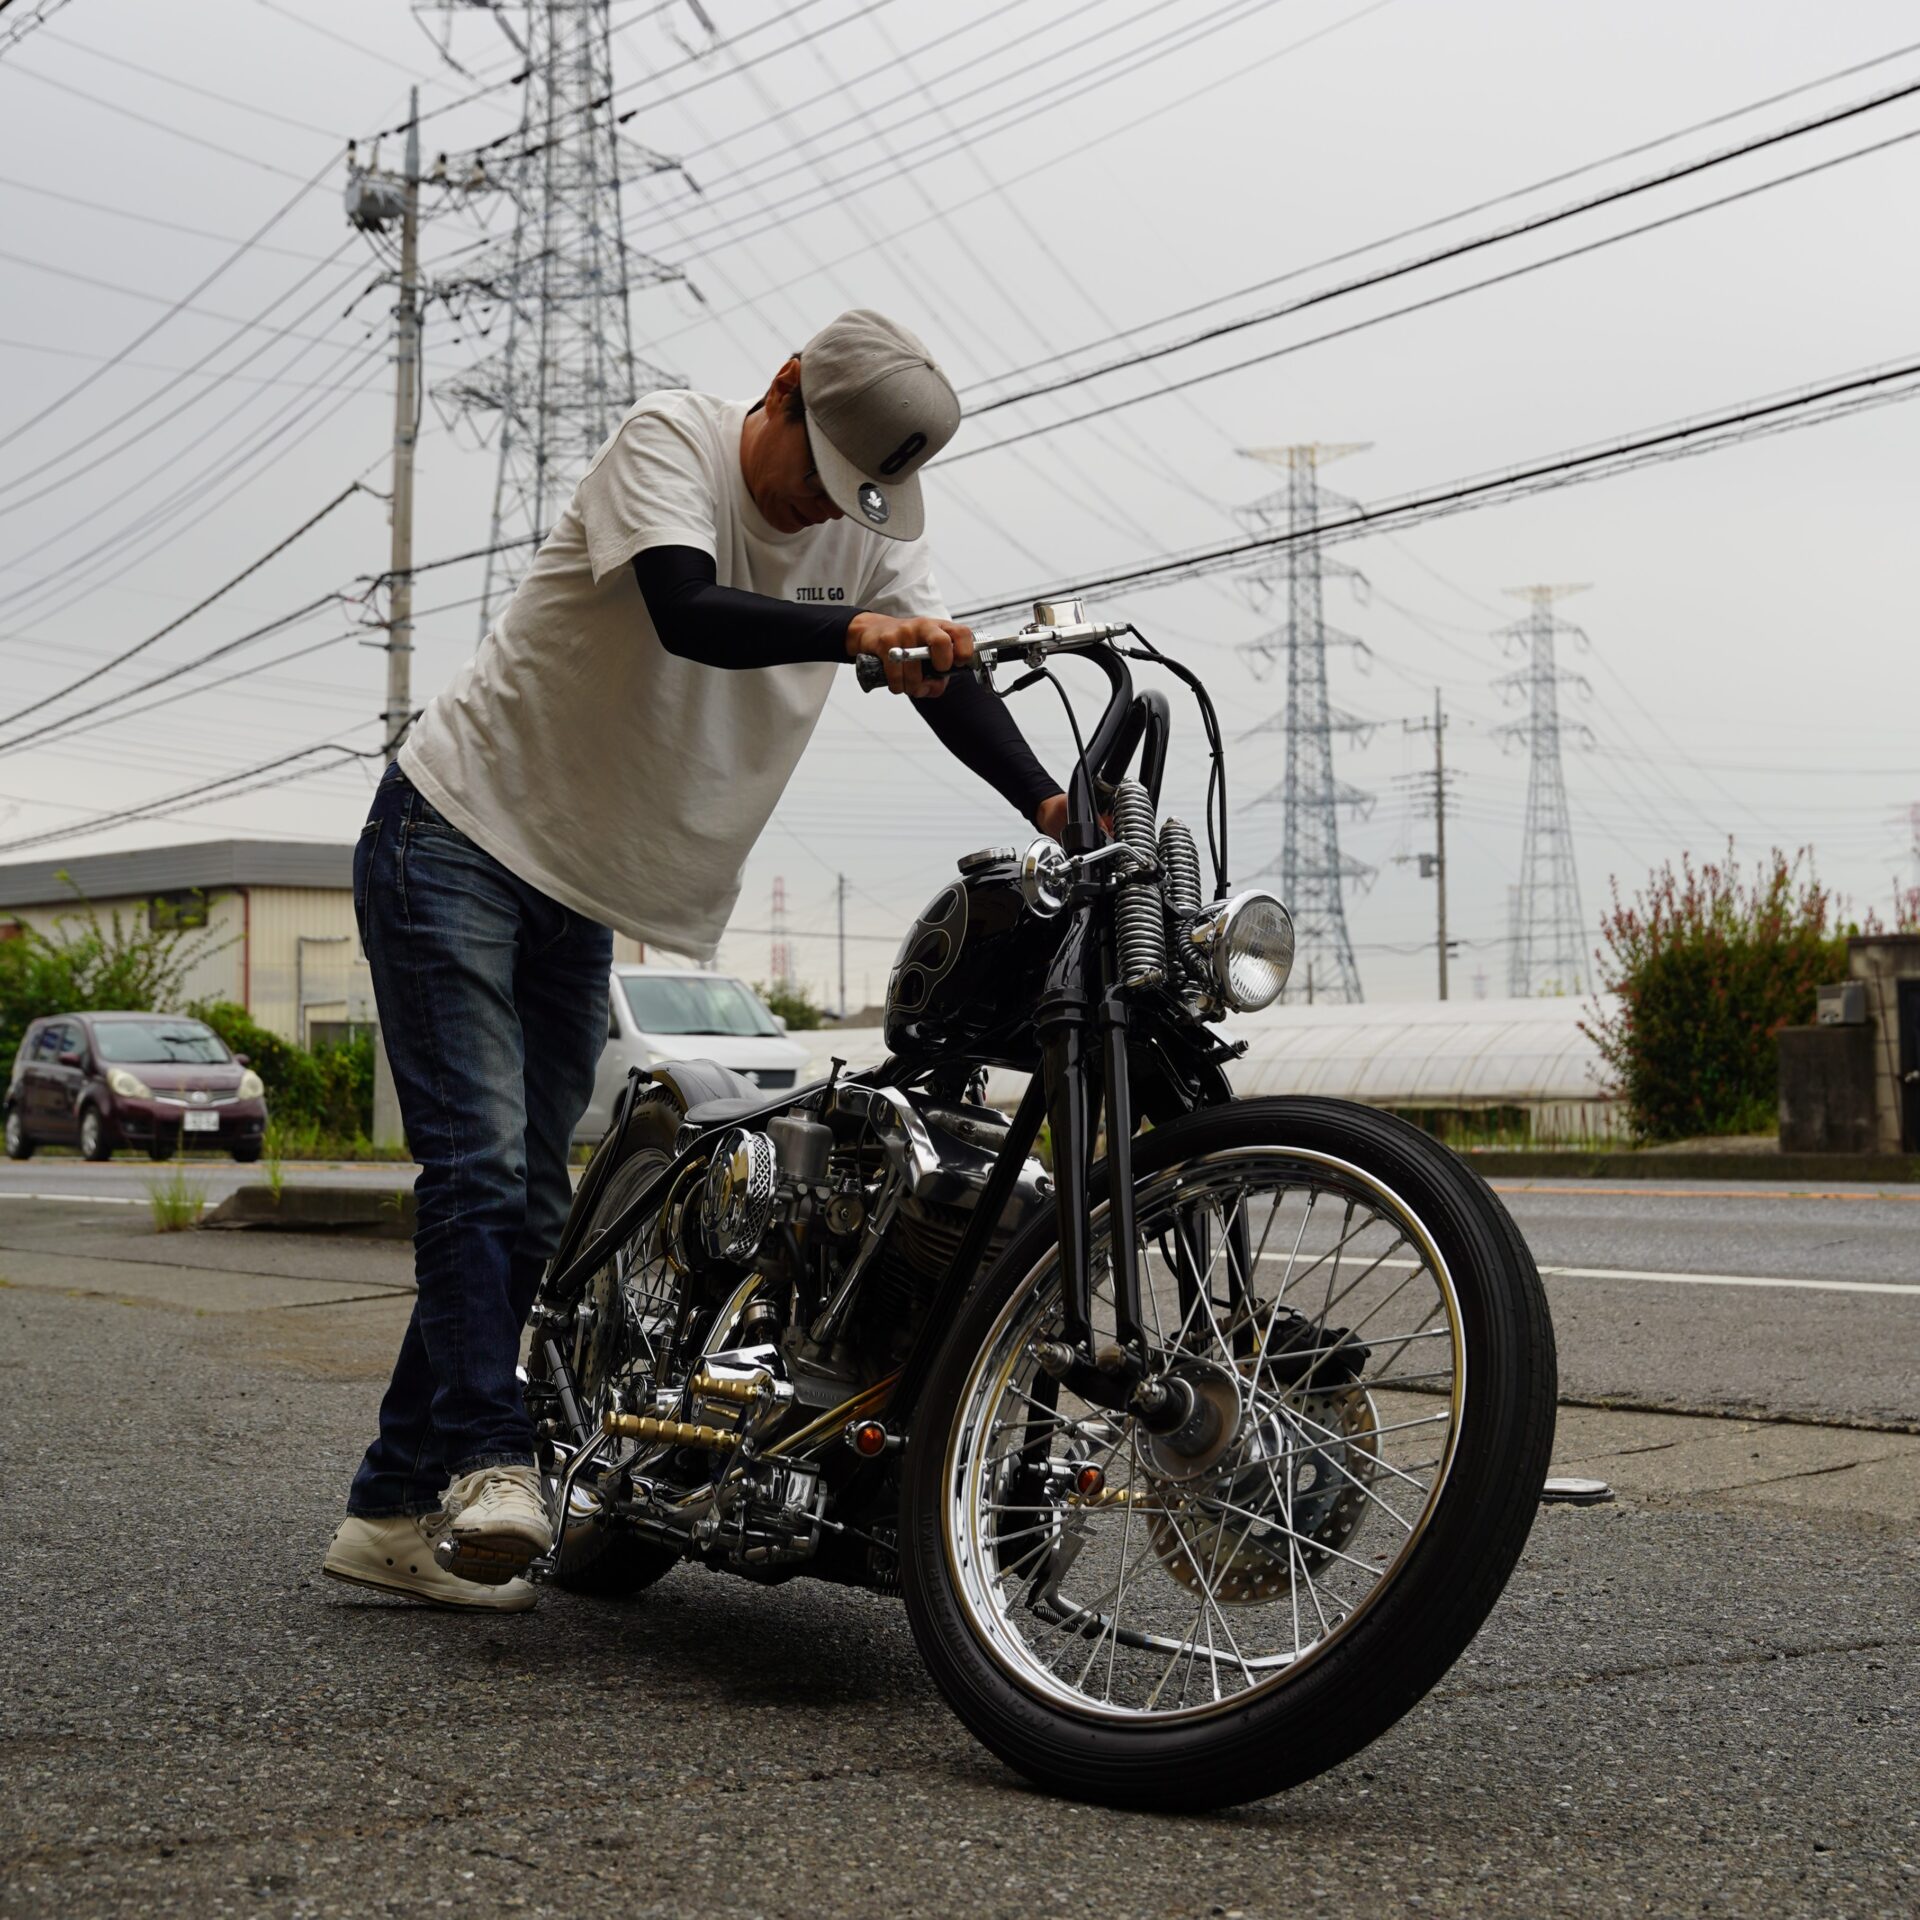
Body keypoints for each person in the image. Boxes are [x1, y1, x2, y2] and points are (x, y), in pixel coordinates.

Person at [321, 309, 1063, 1610]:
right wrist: (848, 639)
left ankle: (388, 1510)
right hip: (456, 834)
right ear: (779, 393)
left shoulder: (877, 522)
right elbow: (686, 609)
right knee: (486, 1169)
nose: (822, 512)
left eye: (858, 499)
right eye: (813, 477)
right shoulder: (673, 439)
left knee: (533, 1208)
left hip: (582, 891)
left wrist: (1055, 807)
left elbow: (940, 677)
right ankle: (494, 1464)